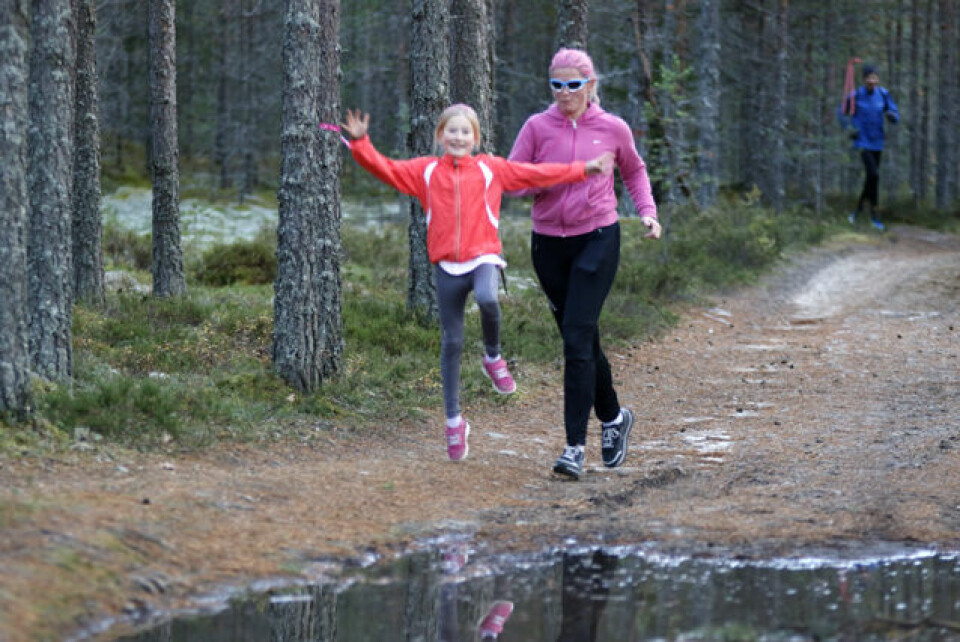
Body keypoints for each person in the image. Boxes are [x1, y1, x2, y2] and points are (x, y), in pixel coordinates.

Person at [341, 104, 613, 462]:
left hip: (483, 255)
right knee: (451, 342)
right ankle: (454, 421)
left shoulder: (491, 169)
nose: (458, 137)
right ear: (440, 136)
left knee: (488, 298)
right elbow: (386, 168)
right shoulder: (424, 172)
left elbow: (536, 173)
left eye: (465, 132)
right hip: (446, 266)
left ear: (476, 138)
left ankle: (493, 357)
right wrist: (361, 144)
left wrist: (583, 169)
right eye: (451, 132)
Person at [507, 47, 662, 481]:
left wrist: (647, 210)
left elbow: (634, 170)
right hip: (548, 246)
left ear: (590, 85)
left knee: (575, 339)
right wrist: (559, 174)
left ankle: (574, 446)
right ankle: (613, 417)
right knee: (582, 338)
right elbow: (513, 180)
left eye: (573, 84)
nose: (564, 92)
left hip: (597, 238)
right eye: (556, 84)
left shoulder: (612, 127)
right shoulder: (537, 128)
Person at [839, 63, 899, 231]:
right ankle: (874, 216)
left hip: (877, 142)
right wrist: (849, 129)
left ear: (877, 79)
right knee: (874, 174)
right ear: (864, 79)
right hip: (862, 141)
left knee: (872, 178)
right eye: (869, 78)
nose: (872, 81)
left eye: (874, 78)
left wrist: (892, 116)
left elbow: (895, 113)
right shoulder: (856, 95)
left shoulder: (883, 94)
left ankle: (858, 211)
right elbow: (841, 113)